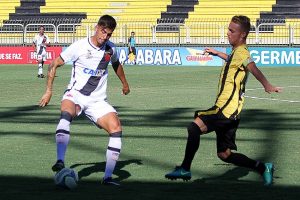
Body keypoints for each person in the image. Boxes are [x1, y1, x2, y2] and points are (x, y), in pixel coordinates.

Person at [165, 15, 282, 186]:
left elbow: (253, 67)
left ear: (242, 35)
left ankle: (185, 168)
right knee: (225, 154)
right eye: (228, 29)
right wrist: (217, 53)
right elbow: (232, 61)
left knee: (193, 128)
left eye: (231, 31)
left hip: (224, 109)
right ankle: (263, 167)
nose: (227, 33)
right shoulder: (236, 53)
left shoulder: (242, 52)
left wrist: (267, 85)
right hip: (232, 112)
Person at [39, 15, 130, 186]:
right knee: (66, 113)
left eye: (109, 34)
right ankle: (60, 161)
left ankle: (108, 178)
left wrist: (125, 83)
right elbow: (54, 64)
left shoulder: (110, 49)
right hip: (76, 94)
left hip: (97, 100)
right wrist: (48, 91)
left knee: (116, 128)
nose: (105, 37)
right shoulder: (79, 46)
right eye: (103, 32)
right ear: (97, 28)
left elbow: (117, 64)